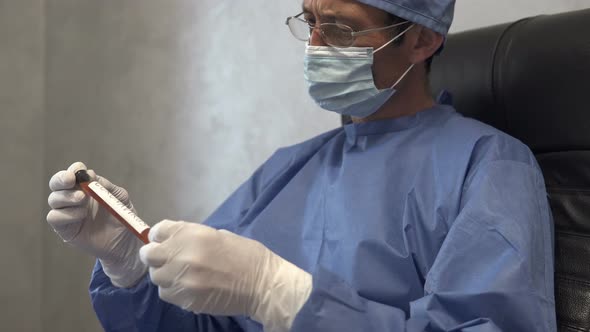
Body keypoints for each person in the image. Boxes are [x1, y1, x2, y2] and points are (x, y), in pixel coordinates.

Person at [46, 0, 557, 331]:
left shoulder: (489, 166)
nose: (314, 49)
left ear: (421, 39)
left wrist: (280, 295)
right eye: (311, 23)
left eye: (339, 30)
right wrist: (129, 266)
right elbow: (199, 323)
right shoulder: (291, 168)